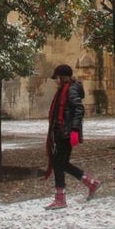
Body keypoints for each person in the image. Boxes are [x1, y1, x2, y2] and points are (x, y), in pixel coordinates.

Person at [43, 64, 101, 209]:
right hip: (61, 132)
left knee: (59, 164)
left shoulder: (71, 89)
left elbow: (78, 109)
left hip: (66, 133)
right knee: (62, 163)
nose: (56, 81)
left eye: (57, 78)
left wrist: (74, 129)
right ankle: (91, 183)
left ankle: (61, 199)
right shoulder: (63, 90)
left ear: (63, 77)